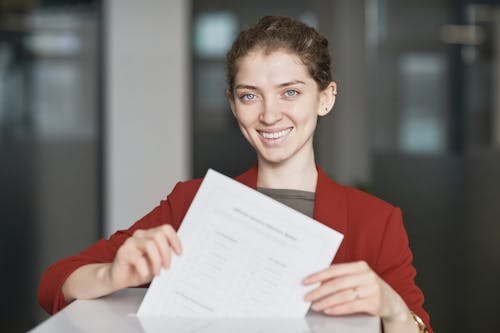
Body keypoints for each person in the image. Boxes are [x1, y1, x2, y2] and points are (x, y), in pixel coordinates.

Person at [38, 16, 432, 333]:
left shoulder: (376, 222)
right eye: (249, 95)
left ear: (325, 97)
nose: (269, 114)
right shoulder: (191, 203)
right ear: (232, 104)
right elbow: (56, 282)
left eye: (290, 92)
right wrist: (112, 274)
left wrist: (392, 309)